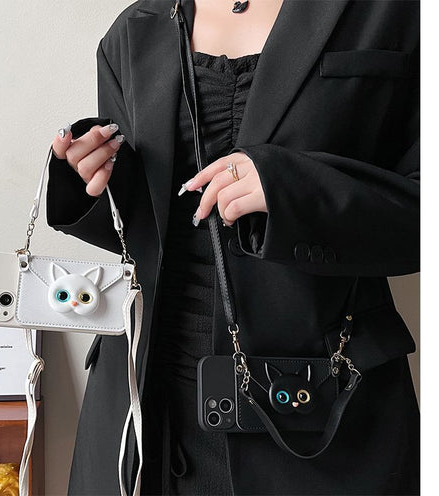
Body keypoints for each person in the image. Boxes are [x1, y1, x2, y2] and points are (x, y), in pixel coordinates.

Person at [46, 0, 420, 494]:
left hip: (321, 410)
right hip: (145, 405)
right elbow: (144, 231)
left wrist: (295, 192)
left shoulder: (392, 13)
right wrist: (90, 180)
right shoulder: (134, 29)